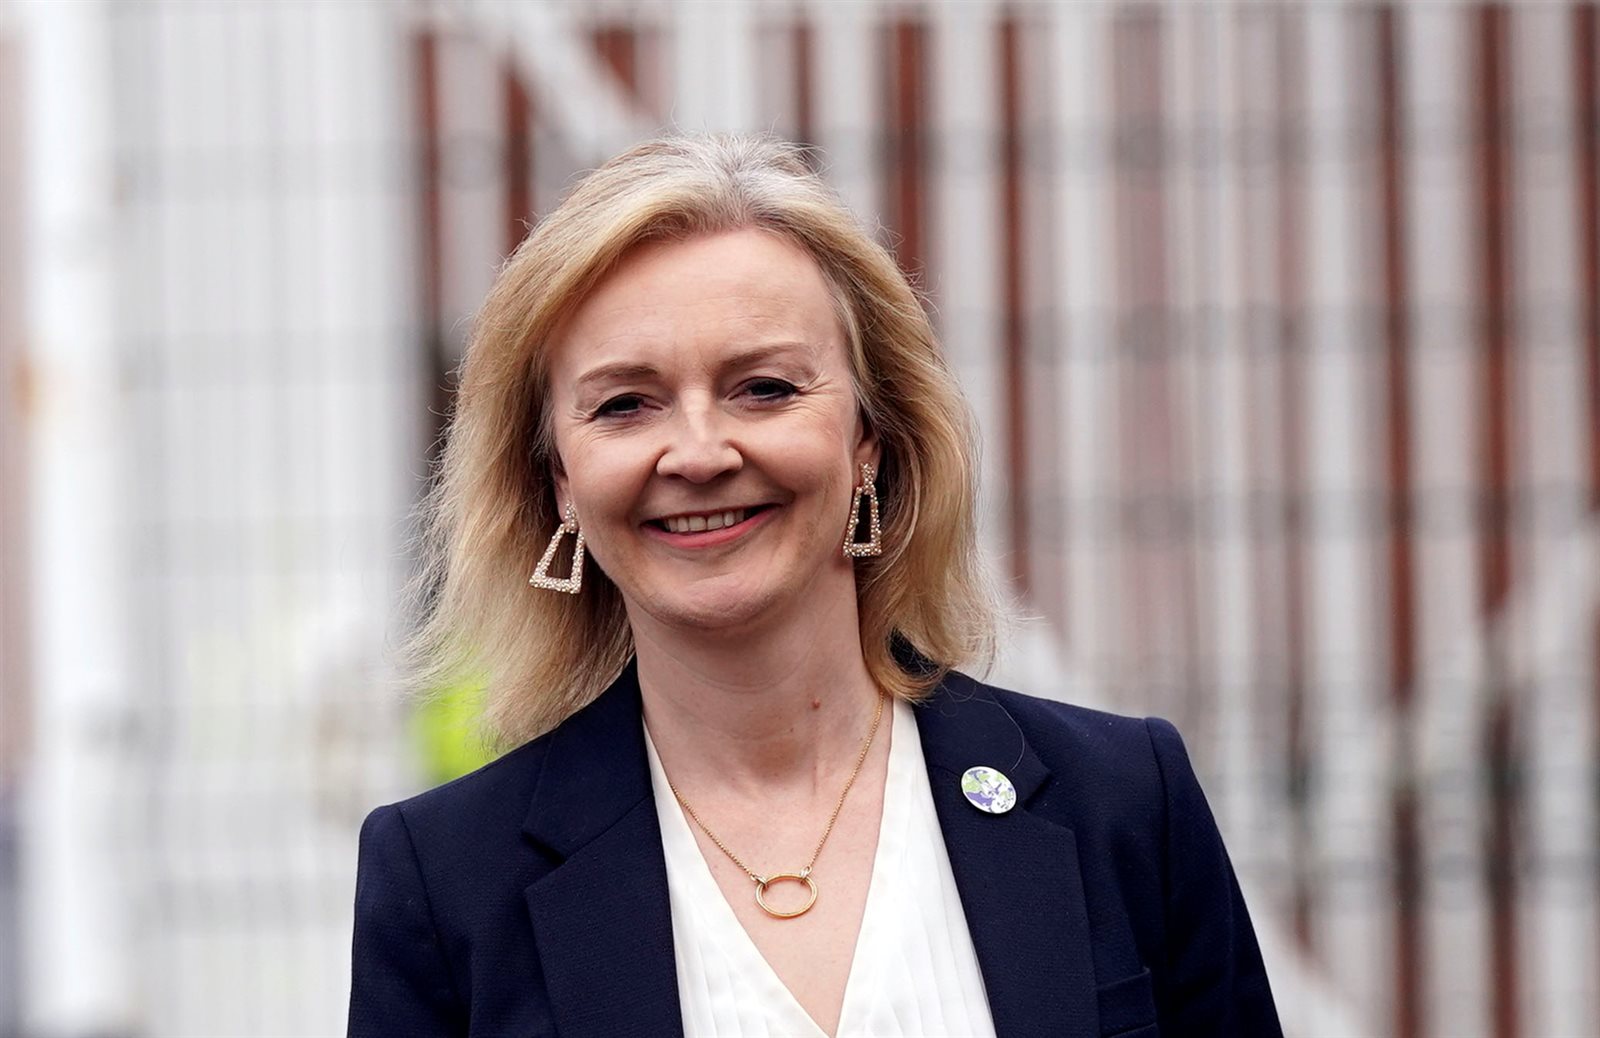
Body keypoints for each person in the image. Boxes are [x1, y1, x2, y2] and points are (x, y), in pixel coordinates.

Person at [348, 132, 1281, 1038]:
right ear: (559, 477)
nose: (700, 453)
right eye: (625, 404)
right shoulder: (445, 882)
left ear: (869, 437)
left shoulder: (1123, 803)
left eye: (764, 388)